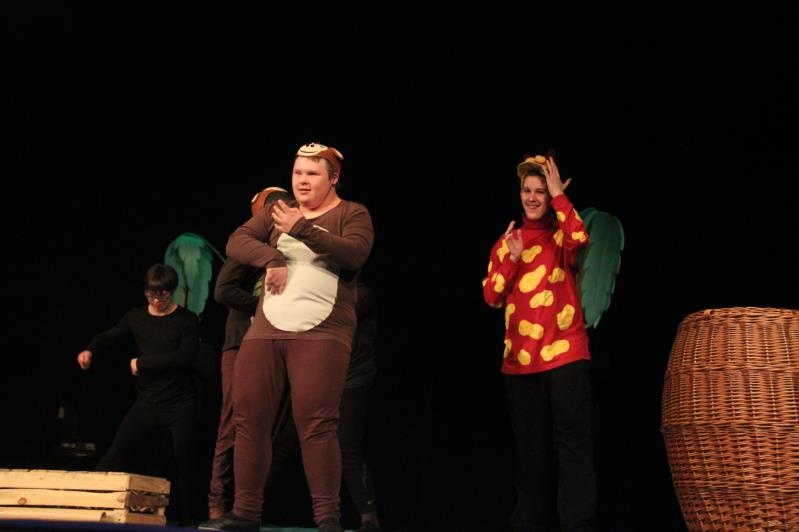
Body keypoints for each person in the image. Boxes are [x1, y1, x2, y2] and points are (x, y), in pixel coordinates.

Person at [198, 142, 375, 532]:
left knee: (317, 423)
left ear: (333, 178)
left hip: (322, 332)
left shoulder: (352, 213)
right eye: (297, 173)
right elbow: (236, 241)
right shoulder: (277, 212)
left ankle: (327, 517)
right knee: (249, 418)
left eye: (312, 173)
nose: (302, 181)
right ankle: (246, 512)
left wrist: (301, 230)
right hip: (266, 330)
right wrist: (272, 257)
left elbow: (354, 254)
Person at [482, 152, 597, 531]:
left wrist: (559, 194)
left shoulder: (562, 235)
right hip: (520, 361)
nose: (532, 198)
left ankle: (578, 525)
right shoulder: (507, 241)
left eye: (540, 191)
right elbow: (491, 296)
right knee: (530, 452)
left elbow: (580, 236)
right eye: (527, 190)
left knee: (573, 445)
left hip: (566, 354)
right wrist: (513, 258)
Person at [76, 263, 202, 527]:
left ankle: (190, 520)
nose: (156, 301)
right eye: (151, 295)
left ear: (171, 292)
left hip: (180, 405)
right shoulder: (136, 317)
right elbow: (109, 336)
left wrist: (142, 363)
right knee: (117, 451)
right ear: (146, 291)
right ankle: (86, 504)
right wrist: (90, 350)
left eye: (162, 296)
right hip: (148, 403)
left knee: (185, 460)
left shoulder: (187, 320)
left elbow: (185, 357)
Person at [264, 279, 381, 532]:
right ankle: (251, 509)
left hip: (351, 380)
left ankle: (369, 520)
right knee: (285, 444)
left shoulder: (362, 293)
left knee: (348, 449)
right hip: (317, 379)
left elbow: (330, 314)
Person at [207, 186, 293, 520]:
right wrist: (260, 306)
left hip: (275, 344)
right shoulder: (250, 247)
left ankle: (249, 506)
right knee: (233, 422)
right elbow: (223, 290)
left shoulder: (291, 247)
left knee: (270, 428)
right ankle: (218, 503)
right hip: (241, 343)